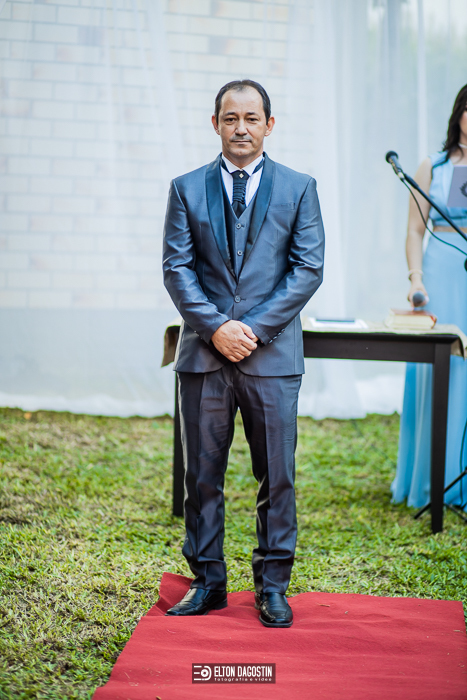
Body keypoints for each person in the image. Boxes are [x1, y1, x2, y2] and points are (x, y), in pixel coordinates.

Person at [162, 80, 325, 627]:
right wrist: (216, 329)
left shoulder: (300, 188)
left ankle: (272, 586)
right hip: (204, 357)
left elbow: (308, 269)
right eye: (230, 118)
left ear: (269, 125)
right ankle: (207, 582)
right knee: (202, 478)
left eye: (251, 118)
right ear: (215, 124)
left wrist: (249, 330)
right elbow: (176, 268)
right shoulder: (185, 188)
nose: (241, 128)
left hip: (271, 357)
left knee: (276, 476)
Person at [392, 84, 467, 510]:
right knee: (443, 364)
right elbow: (415, 229)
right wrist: (416, 278)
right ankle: (431, 480)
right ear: (458, 112)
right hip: (441, 272)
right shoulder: (432, 166)